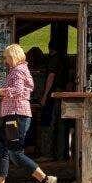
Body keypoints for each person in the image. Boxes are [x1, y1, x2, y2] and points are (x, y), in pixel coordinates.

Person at [0, 44, 57, 183]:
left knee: (15, 153)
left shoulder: (18, 70)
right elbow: (15, 90)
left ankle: (45, 180)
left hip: (15, 117)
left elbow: (18, 91)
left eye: (7, 57)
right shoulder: (18, 70)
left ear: (13, 56)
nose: (6, 61)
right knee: (2, 150)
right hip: (11, 116)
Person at [39, 28, 69, 160]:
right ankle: (61, 155)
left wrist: (45, 95)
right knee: (61, 126)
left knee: (49, 124)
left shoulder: (53, 59)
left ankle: (47, 154)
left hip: (53, 96)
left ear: (49, 47)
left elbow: (51, 76)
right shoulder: (64, 61)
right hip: (62, 95)